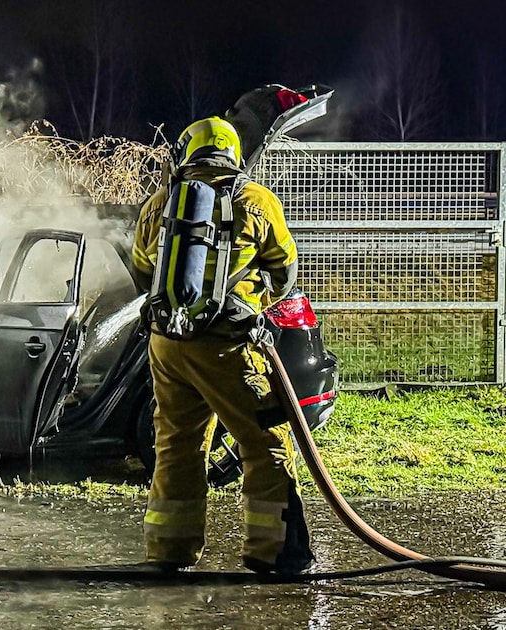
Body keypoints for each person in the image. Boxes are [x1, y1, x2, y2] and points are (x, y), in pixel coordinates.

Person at [130, 115, 314, 574]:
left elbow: (139, 266)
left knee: (177, 444)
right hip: (227, 346)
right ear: (233, 154)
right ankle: (275, 554)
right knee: (265, 441)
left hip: (167, 345)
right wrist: (249, 303)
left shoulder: (159, 204)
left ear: (185, 152)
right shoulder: (255, 200)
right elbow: (285, 270)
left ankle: (169, 552)